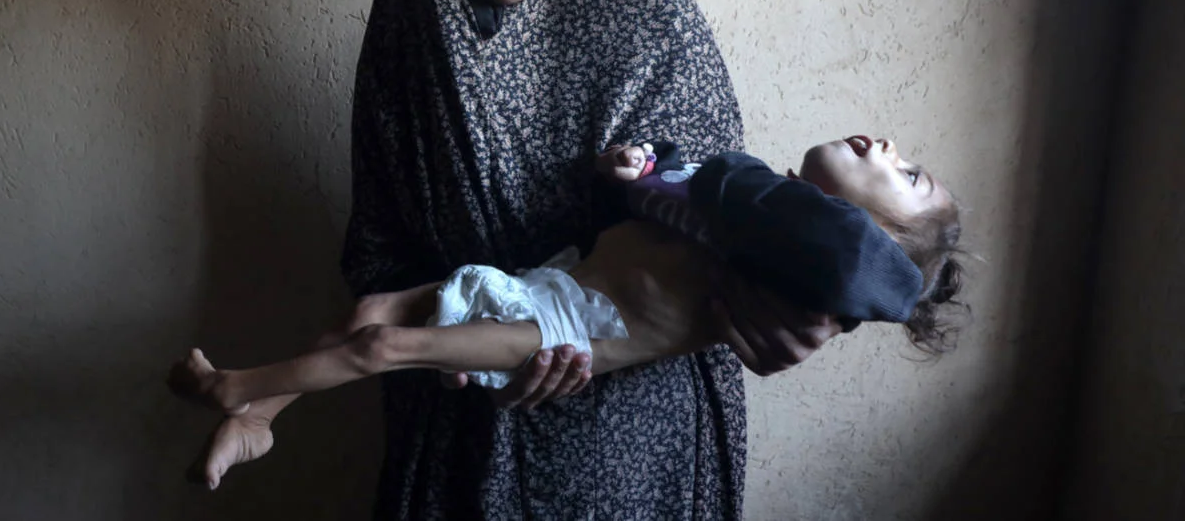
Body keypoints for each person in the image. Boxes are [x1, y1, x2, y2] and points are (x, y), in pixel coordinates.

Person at [200, 0, 842, 518]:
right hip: (468, 426)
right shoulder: (406, 61)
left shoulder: (654, 31)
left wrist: (782, 323)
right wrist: (465, 345)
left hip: (635, 430)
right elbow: (378, 254)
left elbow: (730, 231)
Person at [169, 134, 968, 489]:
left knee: (383, 342)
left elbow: (849, 258)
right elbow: (678, 186)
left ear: (885, 241)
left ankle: (235, 386)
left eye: (909, 176)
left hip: (567, 331)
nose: (888, 146)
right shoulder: (761, 207)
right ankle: (260, 418)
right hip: (547, 285)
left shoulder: (804, 264)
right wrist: (637, 166)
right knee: (372, 309)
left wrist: (908, 283)